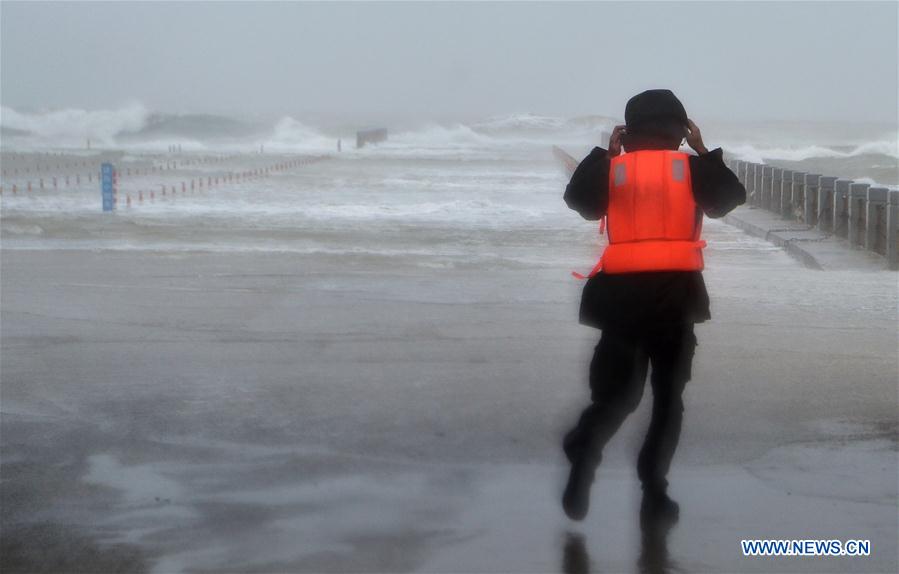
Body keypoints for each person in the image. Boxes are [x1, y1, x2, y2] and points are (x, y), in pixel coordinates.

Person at [561, 89, 746, 522]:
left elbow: (581, 204)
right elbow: (729, 199)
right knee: (667, 400)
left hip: (620, 303)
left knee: (615, 398)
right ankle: (654, 490)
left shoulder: (614, 169)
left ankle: (584, 447)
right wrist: (704, 149)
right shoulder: (693, 168)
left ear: (628, 131)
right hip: (674, 302)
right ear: (681, 129)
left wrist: (603, 154)